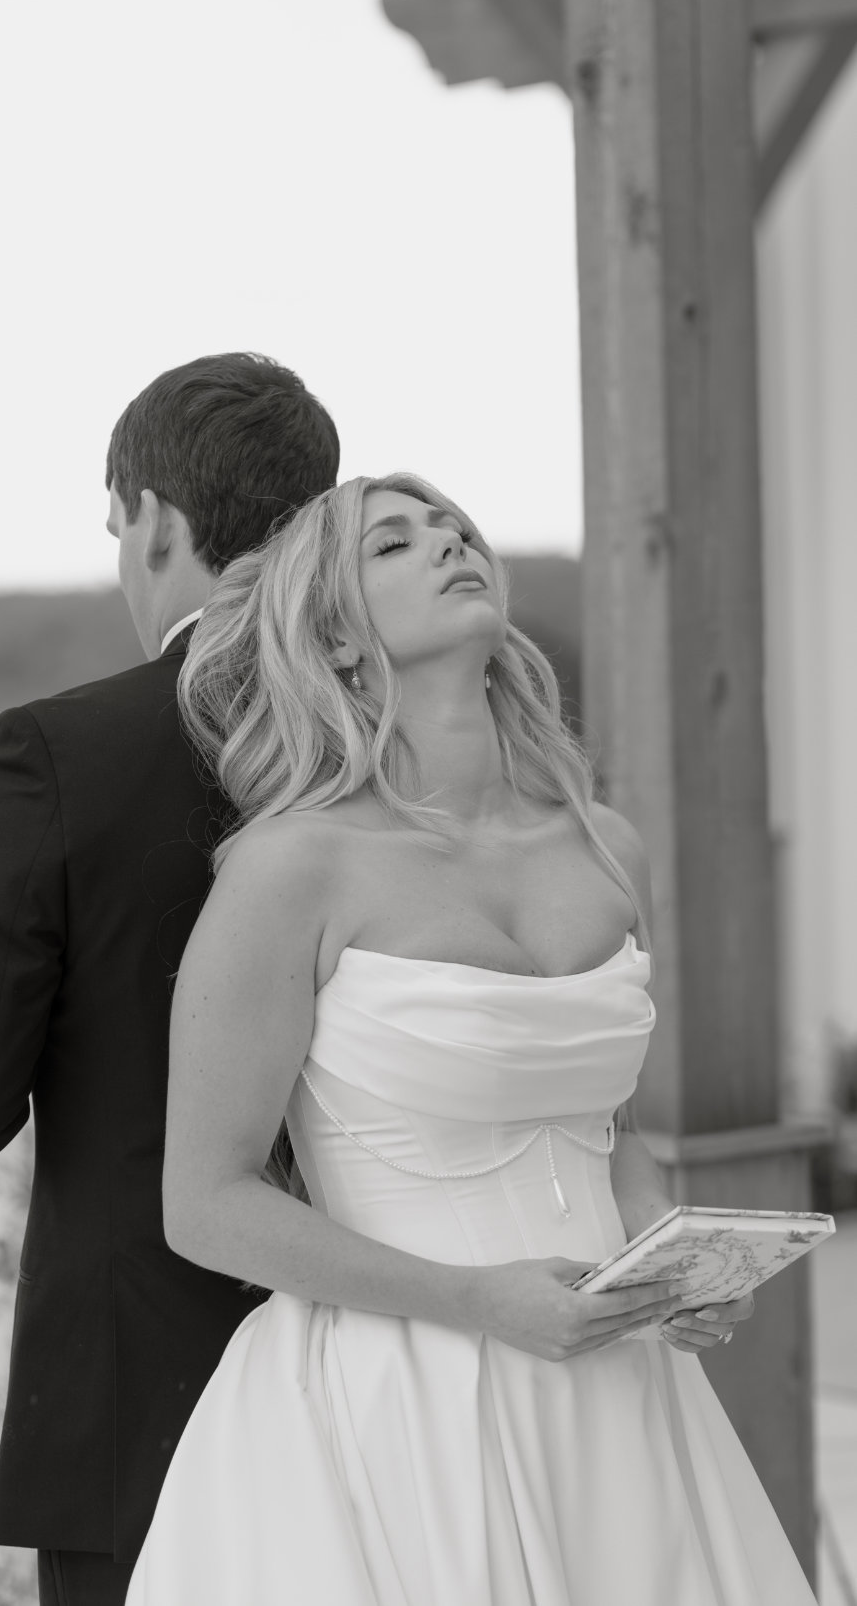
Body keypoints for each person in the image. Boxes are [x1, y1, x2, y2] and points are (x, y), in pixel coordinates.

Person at [124, 473, 816, 1605]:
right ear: (340, 643)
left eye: (453, 526)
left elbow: (609, 1132)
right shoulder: (290, 867)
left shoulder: (603, 843)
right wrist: (479, 1302)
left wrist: (676, 1264)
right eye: (394, 542)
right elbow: (203, 1202)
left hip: (615, 1390)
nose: (448, 540)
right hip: (396, 1399)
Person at [0, 352, 340, 1606]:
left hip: (146, 1391)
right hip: (394, 1356)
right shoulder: (405, 741)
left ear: (157, 522)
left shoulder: (57, 754)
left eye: (114, 526)